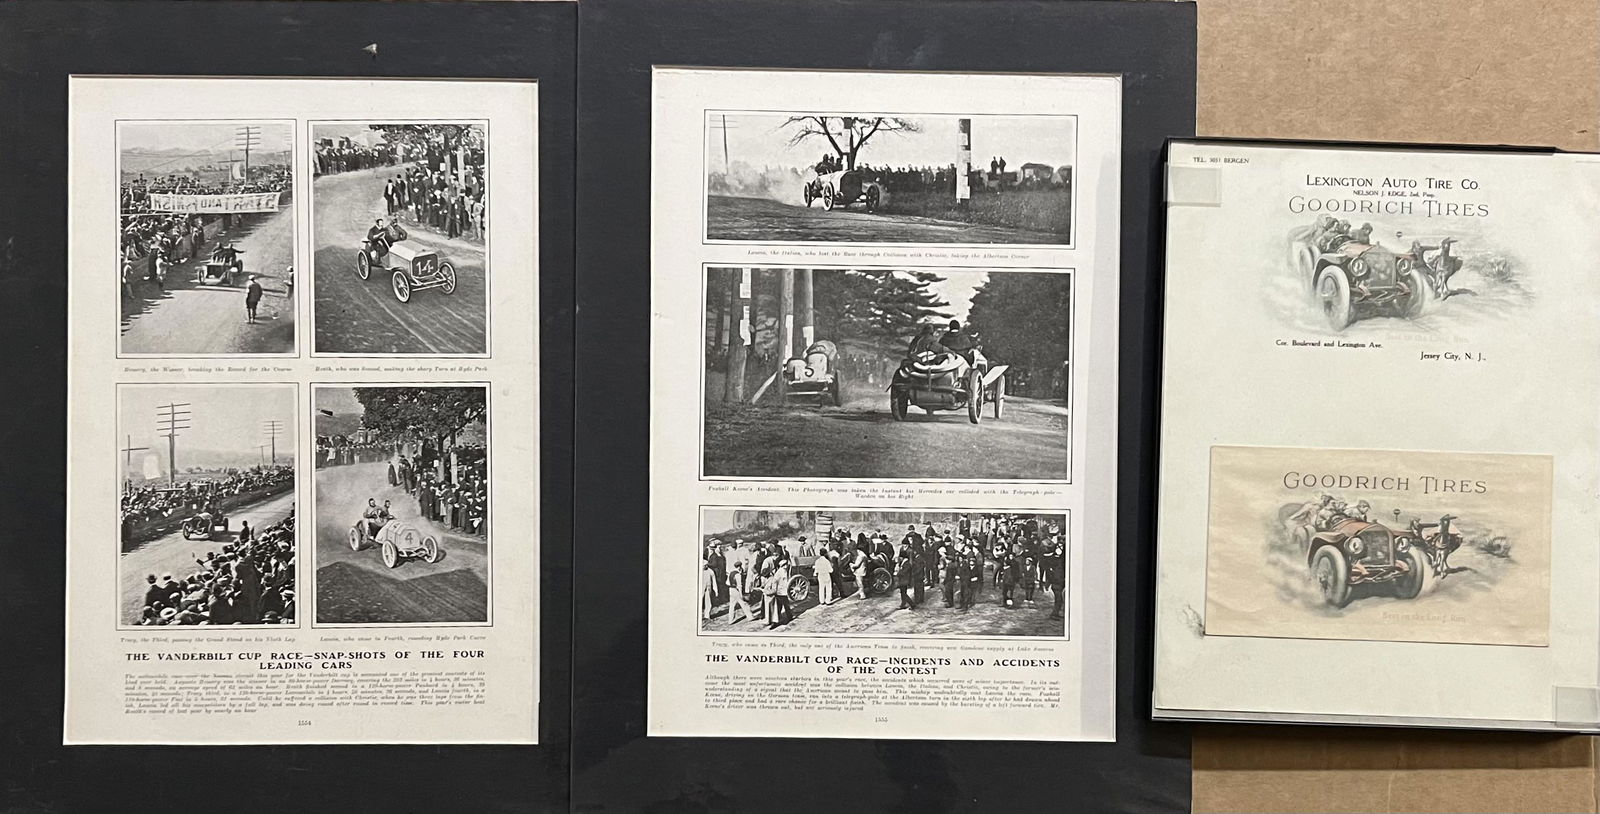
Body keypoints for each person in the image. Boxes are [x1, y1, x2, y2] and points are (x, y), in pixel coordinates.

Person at [814, 541, 834, 605]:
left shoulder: (817, 561)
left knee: (821, 588)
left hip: (820, 576)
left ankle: (821, 601)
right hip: (826, 575)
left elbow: (816, 571)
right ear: (825, 553)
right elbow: (831, 570)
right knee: (828, 588)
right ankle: (828, 601)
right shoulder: (827, 561)